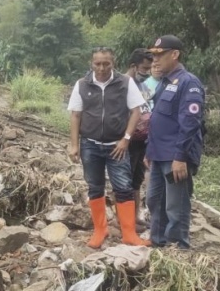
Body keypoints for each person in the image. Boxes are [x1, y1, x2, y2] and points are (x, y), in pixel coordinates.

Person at [67, 47, 151, 248]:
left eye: (107, 63)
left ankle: (129, 233)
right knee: (95, 187)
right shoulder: (81, 85)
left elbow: (136, 111)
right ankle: (100, 230)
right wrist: (74, 145)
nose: (102, 68)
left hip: (117, 146)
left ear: (113, 63)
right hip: (90, 145)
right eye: (98, 63)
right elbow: (76, 115)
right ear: (91, 63)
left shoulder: (125, 82)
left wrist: (126, 139)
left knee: (123, 188)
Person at [145, 35, 205, 249]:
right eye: (153, 55)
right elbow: (158, 119)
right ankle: (158, 242)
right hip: (158, 153)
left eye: (160, 55)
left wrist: (181, 157)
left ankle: (178, 247)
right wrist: (148, 152)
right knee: (154, 200)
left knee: (175, 205)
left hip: (175, 156)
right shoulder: (164, 83)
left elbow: (190, 122)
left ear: (175, 54)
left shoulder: (189, 83)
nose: (155, 60)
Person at [125, 48, 154, 231]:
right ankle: (125, 220)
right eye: (144, 68)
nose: (147, 72)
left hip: (141, 141)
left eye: (149, 68)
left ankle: (135, 217)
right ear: (133, 66)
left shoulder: (143, 86)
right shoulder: (122, 84)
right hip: (126, 141)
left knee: (136, 180)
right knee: (124, 181)